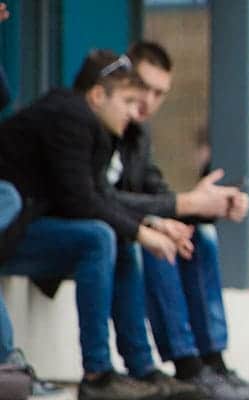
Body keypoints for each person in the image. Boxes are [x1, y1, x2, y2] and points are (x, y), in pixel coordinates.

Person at [0, 50, 210, 400]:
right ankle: (97, 375)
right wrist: (144, 232)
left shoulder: (92, 125)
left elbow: (101, 197)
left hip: (25, 231)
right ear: (98, 96)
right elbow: (81, 201)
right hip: (9, 232)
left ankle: (141, 369)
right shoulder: (68, 116)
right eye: (128, 101)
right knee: (99, 236)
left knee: (115, 236)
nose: (135, 111)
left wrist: (152, 224)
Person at [119, 41, 249, 399]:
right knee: (162, 243)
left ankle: (213, 362)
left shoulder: (138, 136)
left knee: (198, 236)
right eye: (144, 88)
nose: (149, 101)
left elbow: (158, 192)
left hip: (126, 228)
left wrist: (206, 205)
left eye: (160, 94)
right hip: (96, 233)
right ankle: (187, 366)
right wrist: (166, 217)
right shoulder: (94, 126)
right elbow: (96, 197)